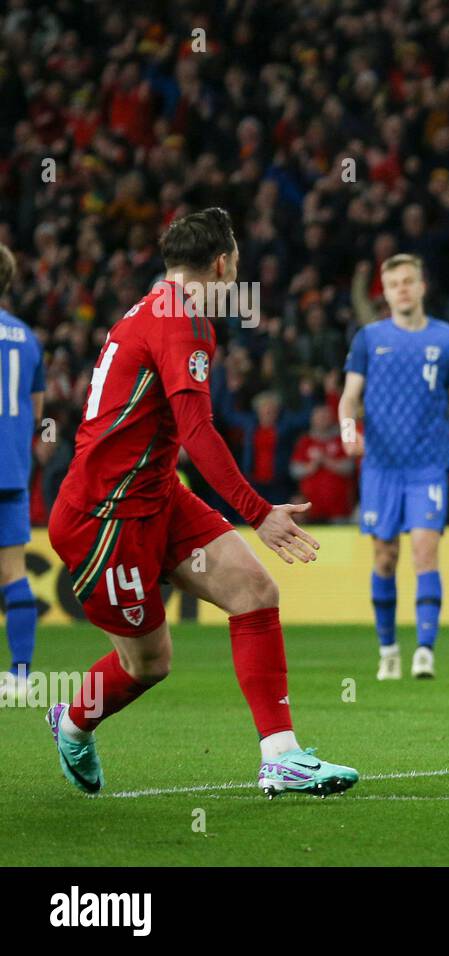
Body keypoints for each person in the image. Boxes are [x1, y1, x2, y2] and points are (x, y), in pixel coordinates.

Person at [45, 207, 358, 797]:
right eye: (235, 268)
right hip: (105, 520)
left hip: (157, 496)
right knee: (149, 664)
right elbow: (197, 431)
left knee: (255, 591)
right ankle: (73, 718)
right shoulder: (182, 321)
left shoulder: (149, 309)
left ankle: (281, 757)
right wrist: (257, 511)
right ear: (221, 264)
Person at [339, 254, 449, 681]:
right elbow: (349, 396)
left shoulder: (448, 338)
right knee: (384, 556)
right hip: (381, 467)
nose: (401, 288)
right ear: (385, 290)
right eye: (393, 283)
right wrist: (347, 429)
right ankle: (388, 650)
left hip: (428, 465)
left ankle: (425, 652)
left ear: (421, 287)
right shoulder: (368, 338)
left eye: (408, 281)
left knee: (424, 551)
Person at [0, 243, 43, 703]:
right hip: (10, 468)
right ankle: (21, 675)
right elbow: (36, 410)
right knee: (12, 572)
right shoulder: (26, 336)